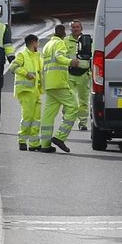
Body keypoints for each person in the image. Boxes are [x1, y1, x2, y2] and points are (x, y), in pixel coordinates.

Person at [35, 24, 75, 153]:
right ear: (63, 34)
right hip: (59, 83)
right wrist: (71, 62)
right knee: (74, 107)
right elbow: (59, 57)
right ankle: (60, 137)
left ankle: (45, 145)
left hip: (49, 84)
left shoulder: (47, 45)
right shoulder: (60, 44)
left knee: (48, 114)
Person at [12, 33, 43, 151]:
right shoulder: (22, 54)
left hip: (35, 92)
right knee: (28, 117)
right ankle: (22, 141)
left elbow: (40, 73)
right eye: (37, 42)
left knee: (36, 119)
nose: (38, 45)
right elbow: (13, 67)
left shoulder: (36, 56)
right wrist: (26, 73)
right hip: (26, 91)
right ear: (34, 43)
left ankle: (34, 143)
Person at [63, 20, 92, 136]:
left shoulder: (88, 41)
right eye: (73, 27)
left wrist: (90, 73)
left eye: (77, 27)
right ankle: (66, 121)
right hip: (69, 75)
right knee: (68, 100)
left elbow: (93, 57)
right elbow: (62, 57)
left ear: (82, 28)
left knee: (83, 100)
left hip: (83, 75)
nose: (75, 29)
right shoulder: (65, 42)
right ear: (70, 29)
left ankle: (83, 122)